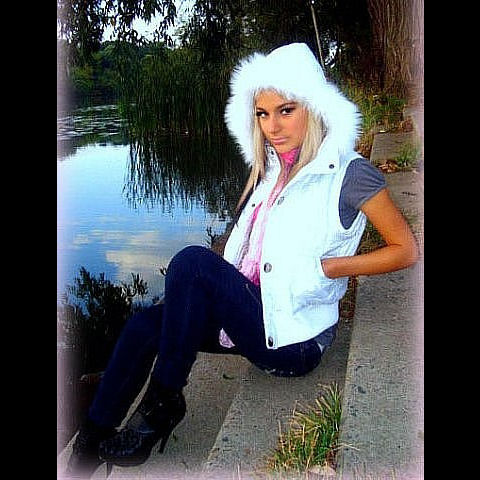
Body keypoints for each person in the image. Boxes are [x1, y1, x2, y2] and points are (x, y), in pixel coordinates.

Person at [64, 42, 419, 478]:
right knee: (143, 325)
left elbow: (405, 249)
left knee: (193, 262)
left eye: (286, 110)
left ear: (313, 105)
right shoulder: (270, 170)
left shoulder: (348, 173)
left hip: (295, 341)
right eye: (263, 114)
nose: (273, 126)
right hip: (257, 312)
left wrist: (330, 268)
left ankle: (162, 403)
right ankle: (88, 447)